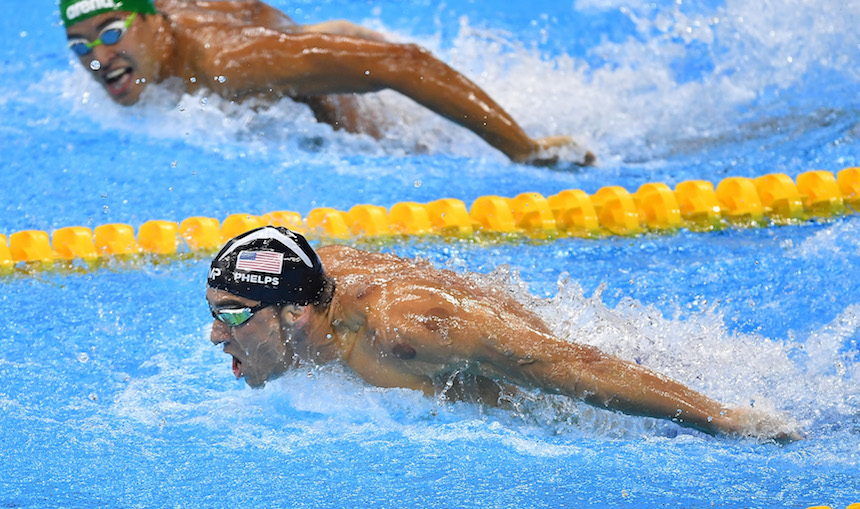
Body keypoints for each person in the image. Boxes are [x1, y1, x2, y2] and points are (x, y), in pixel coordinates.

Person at [205, 226, 802, 442]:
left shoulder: (404, 331)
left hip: (577, 402)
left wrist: (719, 416)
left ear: (294, 315)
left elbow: (562, 367)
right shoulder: (308, 283)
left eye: (230, 315)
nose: (213, 335)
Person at [59, 0, 594, 167]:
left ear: (153, 23)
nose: (98, 59)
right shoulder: (149, 39)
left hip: (316, 72)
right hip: (290, 44)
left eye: (109, 34)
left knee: (412, 150)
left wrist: (522, 149)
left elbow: (401, 62)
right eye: (80, 46)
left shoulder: (229, 63)